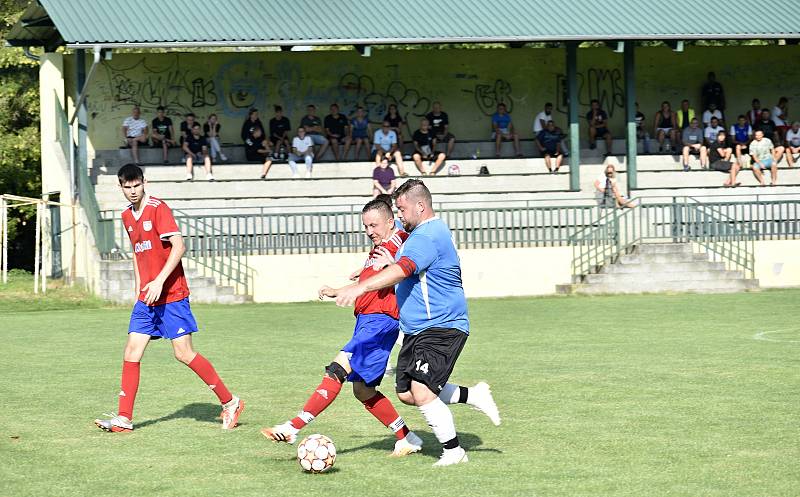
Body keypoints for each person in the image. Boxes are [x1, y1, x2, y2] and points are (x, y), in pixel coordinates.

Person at [332, 179, 501, 467]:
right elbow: (408, 265)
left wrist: (360, 287)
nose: (398, 216)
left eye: (401, 209)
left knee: (422, 391)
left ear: (420, 206)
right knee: (407, 393)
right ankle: (474, 394)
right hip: (418, 328)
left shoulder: (425, 236)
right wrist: (391, 260)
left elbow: (404, 270)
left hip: (441, 325)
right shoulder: (425, 234)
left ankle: (454, 452)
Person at [261, 199, 424, 456]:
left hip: (381, 321)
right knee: (362, 390)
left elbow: (410, 262)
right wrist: (338, 291)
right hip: (367, 322)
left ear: (391, 222)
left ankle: (294, 426)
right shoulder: (378, 249)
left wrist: (394, 259)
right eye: (366, 226)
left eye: (374, 225)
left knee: (337, 368)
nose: (370, 231)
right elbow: (367, 286)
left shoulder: (400, 240)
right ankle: (406, 437)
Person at [93, 164, 243, 433]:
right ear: (121, 188)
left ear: (144, 182)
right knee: (131, 351)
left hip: (172, 295)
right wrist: (139, 291)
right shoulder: (127, 216)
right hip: (146, 299)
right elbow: (139, 257)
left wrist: (160, 281)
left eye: (136, 185)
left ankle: (230, 402)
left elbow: (179, 245)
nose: (132, 191)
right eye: (127, 187)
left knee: (183, 354)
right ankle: (124, 418)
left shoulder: (158, 208)